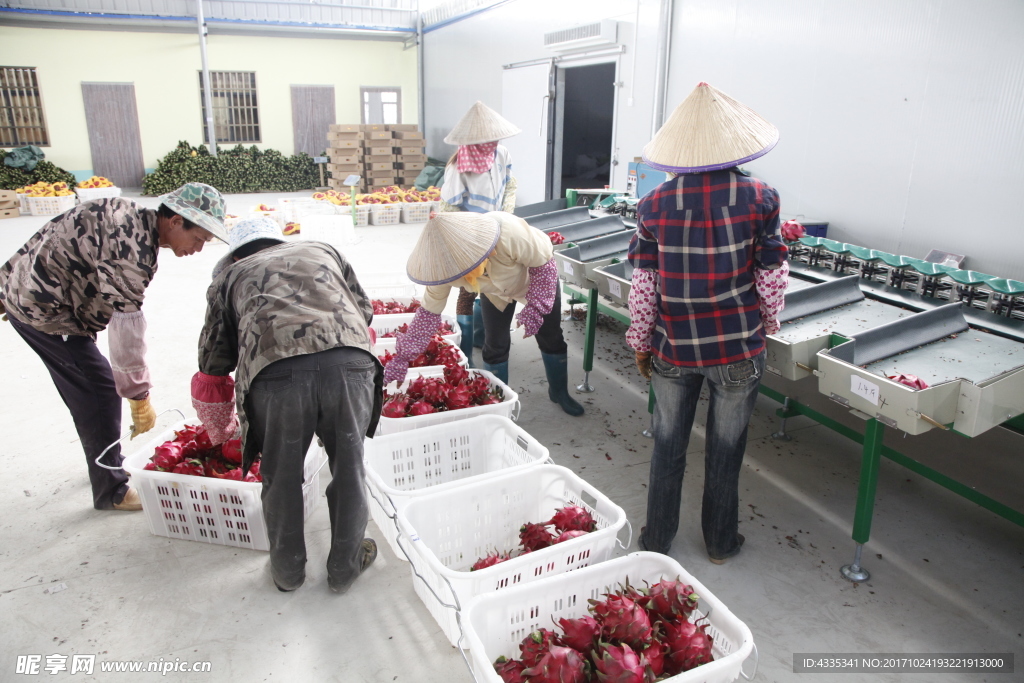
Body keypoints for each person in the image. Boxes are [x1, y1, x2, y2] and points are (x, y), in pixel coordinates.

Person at [627, 82, 789, 563]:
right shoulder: (761, 196)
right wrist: (767, 324)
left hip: (674, 348)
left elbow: (644, 285)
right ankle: (720, 543)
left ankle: (657, 539)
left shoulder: (653, 204)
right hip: (737, 349)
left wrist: (641, 341)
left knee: (667, 447)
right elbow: (771, 276)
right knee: (726, 452)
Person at [0, 183, 228, 511]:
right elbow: (126, 335)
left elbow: (50, 234)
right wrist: (138, 395)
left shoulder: (119, 207)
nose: (198, 249)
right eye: (198, 239)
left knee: (84, 391)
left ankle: (102, 460)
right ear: (176, 221)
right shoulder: (135, 256)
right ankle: (112, 489)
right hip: (48, 315)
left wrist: (7, 286)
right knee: (99, 392)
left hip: (34, 297)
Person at [192, 217, 383, 593]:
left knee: (280, 476)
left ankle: (287, 572)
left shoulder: (229, 278)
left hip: (276, 374)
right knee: (349, 467)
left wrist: (218, 423)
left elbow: (214, 358)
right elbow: (364, 311)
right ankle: (345, 568)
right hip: (350, 364)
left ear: (235, 255)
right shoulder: (323, 250)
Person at [382, 211, 583, 416]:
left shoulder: (511, 233)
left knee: (551, 336)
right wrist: (404, 357)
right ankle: (498, 401)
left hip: (536, 281)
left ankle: (559, 392)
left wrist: (536, 306)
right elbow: (429, 313)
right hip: (496, 294)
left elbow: (544, 265)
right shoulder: (442, 269)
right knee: (495, 343)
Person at [439, 101, 521, 367]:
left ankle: (482, 337)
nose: (494, 143)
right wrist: (462, 242)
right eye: (489, 140)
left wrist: (504, 217)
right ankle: (465, 355)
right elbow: (449, 208)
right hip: (470, 234)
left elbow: (510, 185)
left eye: (496, 139)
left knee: (494, 284)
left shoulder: (501, 154)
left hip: (498, 229)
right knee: (468, 289)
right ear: (474, 141)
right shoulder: (458, 168)